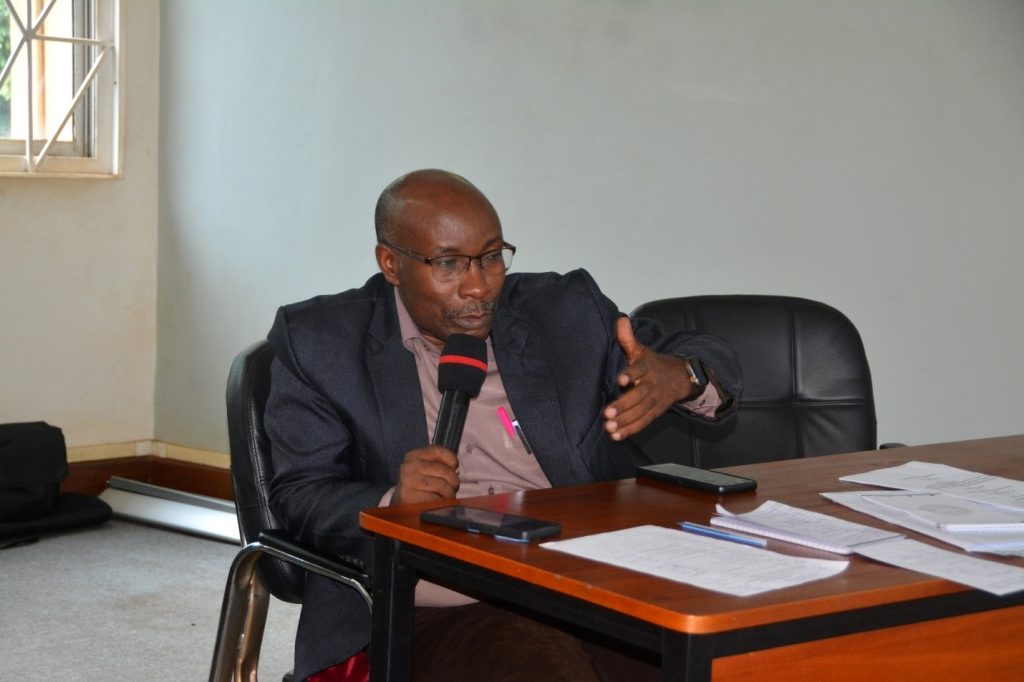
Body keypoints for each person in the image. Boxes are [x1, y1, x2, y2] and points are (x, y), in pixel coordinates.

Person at [264, 169, 741, 681]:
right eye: (448, 263)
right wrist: (390, 502)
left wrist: (683, 375)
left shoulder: (563, 311)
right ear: (391, 263)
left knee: (731, 662)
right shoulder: (321, 342)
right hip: (436, 606)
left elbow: (697, 351)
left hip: (588, 582)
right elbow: (300, 494)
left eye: (492, 256)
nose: (479, 285)